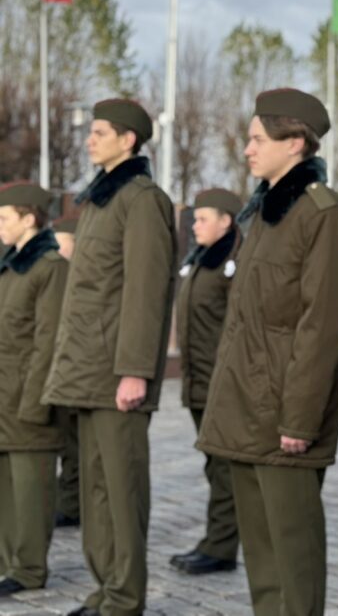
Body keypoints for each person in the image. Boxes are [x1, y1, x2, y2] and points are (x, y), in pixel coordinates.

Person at [198, 88, 338, 616]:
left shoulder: (322, 214)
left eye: (257, 139)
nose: (247, 149)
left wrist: (300, 418)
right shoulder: (265, 217)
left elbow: (321, 326)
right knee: (262, 556)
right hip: (245, 408)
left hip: (285, 414)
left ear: (294, 143)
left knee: (294, 555)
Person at [43, 98, 176, 616]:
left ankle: (125, 596)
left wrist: (135, 372)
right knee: (95, 489)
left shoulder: (142, 200)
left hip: (116, 374)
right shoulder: (100, 201)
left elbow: (146, 292)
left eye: (99, 132)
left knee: (122, 490)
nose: (89, 140)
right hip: (85, 369)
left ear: (128, 140)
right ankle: (105, 589)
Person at [169, 188, 243, 576]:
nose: (195, 225)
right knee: (214, 466)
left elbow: (237, 329)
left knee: (224, 469)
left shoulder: (233, 264)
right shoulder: (201, 261)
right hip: (199, 381)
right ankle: (216, 540)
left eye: (202, 219)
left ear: (225, 221)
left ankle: (221, 546)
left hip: (221, 384)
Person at [0, 183, 68, 597]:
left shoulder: (49, 268)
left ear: (29, 219)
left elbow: (49, 342)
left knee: (31, 491)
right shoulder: (10, 266)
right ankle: (8, 562)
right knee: (7, 489)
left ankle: (28, 568)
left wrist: (34, 403)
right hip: (4, 396)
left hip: (29, 399)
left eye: (4, 218)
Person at [51, 217, 80, 529]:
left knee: (74, 444)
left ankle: (72, 503)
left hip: (76, 371)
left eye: (63, 244)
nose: (57, 251)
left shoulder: (79, 279)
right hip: (58, 371)